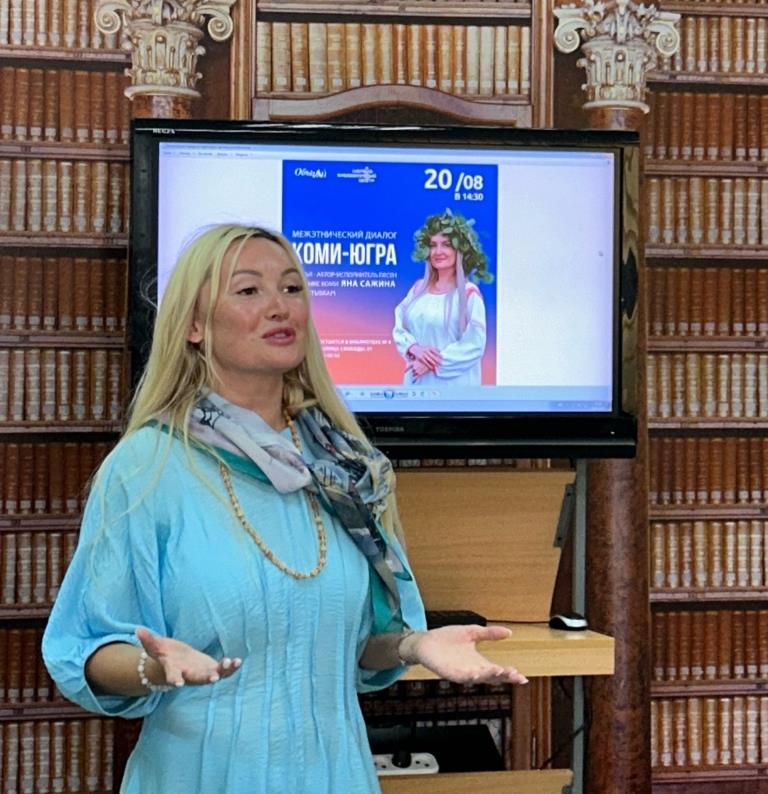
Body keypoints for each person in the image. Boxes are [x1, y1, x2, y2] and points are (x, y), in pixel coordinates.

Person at [42, 224, 526, 794]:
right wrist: (154, 667)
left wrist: (413, 645)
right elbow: (85, 647)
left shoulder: (347, 466)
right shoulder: (146, 467)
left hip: (337, 775)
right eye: (249, 290)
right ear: (194, 325)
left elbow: (359, 648)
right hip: (202, 775)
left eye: (292, 288)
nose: (279, 306)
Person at [393, 210, 491, 386]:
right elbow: (400, 326)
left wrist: (430, 363)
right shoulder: (418, 290)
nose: (438, 251)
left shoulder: (468, 293)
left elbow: (474, 344)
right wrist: (414, 348)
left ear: (460, 250)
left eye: (446, 245)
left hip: (454, 389)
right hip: (416, 384)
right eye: (433, 245)